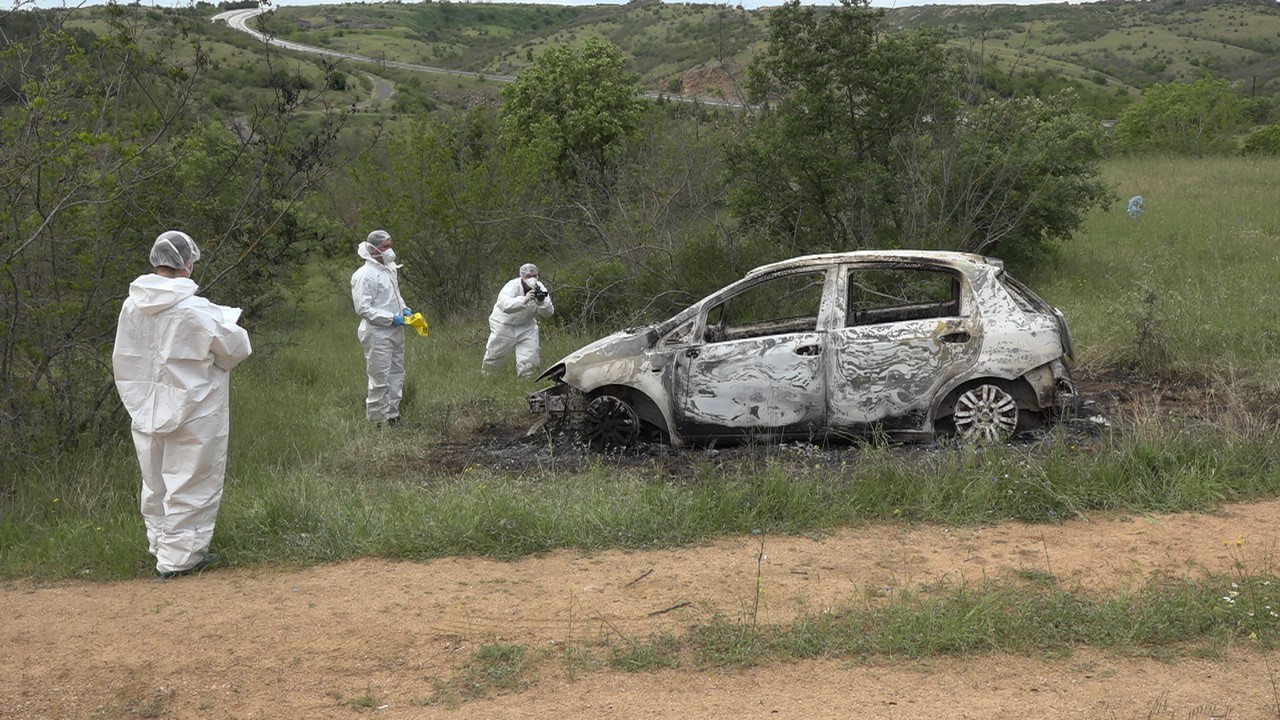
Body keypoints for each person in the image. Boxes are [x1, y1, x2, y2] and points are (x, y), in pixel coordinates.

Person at [112, 230, 252, 580]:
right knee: (191, 480)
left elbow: (126, 355)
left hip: (145, 406)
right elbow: (236, 349)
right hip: (195, 409)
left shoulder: (132, 304)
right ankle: (180, 560)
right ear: (186, 262)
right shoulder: (194, 310)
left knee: (155, 480)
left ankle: (161, 547)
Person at [351, 229, 413, 426]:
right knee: (379, 377)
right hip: (377, 333)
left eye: (390, 245)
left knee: (396, 374)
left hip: (396, 331)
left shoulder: (389, 269)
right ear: (373, 249)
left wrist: (404, 310)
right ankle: (377, 421)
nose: (389, 250)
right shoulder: (364, 275)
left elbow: (394, 295)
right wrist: (390, 318)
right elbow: (363, 308)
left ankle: (393, 415)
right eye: (386, 247)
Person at [482, 262, 554, 378]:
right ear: (522, 276)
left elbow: (549, 312)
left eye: (534, 276)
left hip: (527, 326)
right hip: (505, 325)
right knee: (495, 355)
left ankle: (526, 382)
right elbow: (504, 305)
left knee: (530, 357)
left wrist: (541, 303)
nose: (532, 279)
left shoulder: (540, 288)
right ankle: (487, 378)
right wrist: (523, 300)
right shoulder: (512, 286)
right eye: (528, 276)